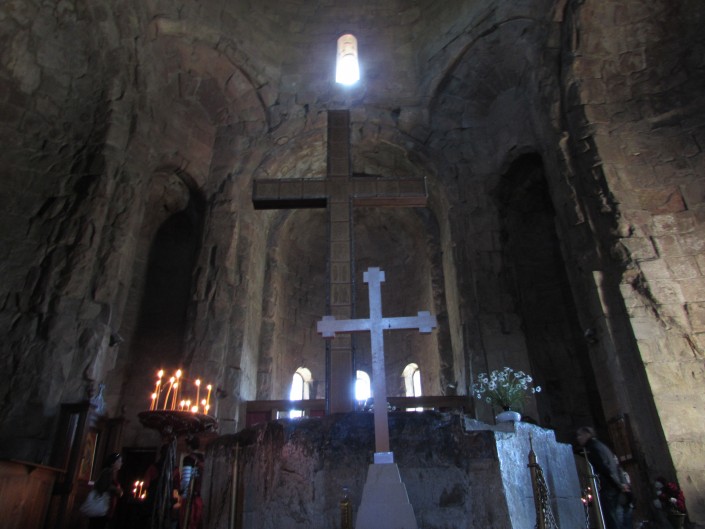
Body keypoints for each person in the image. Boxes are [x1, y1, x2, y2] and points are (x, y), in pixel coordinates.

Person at [577, 427, 628, 529]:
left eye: (580, 435)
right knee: (615, 518)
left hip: (608, 487)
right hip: (612, 486)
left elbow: (605, 467)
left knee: (612, 520)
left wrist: (618, 484)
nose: (578, 438)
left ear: (587, 434)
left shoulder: (594, 447)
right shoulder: (600, 446)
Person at [89, 452, 124, 529]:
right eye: (119, 461)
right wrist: (117, 490)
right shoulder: (108, 472)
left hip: (105, 508)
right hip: (101, 507)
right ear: (112, 463)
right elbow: (103, 486)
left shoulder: (112, 473)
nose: (121, 463)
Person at [180, 436, 205, 529]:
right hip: (199, 496)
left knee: (187, 523)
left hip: (189, 498)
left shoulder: (188, 459)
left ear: (189, 446)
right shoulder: (203, 458)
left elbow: (186, 479)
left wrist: (182, 491)